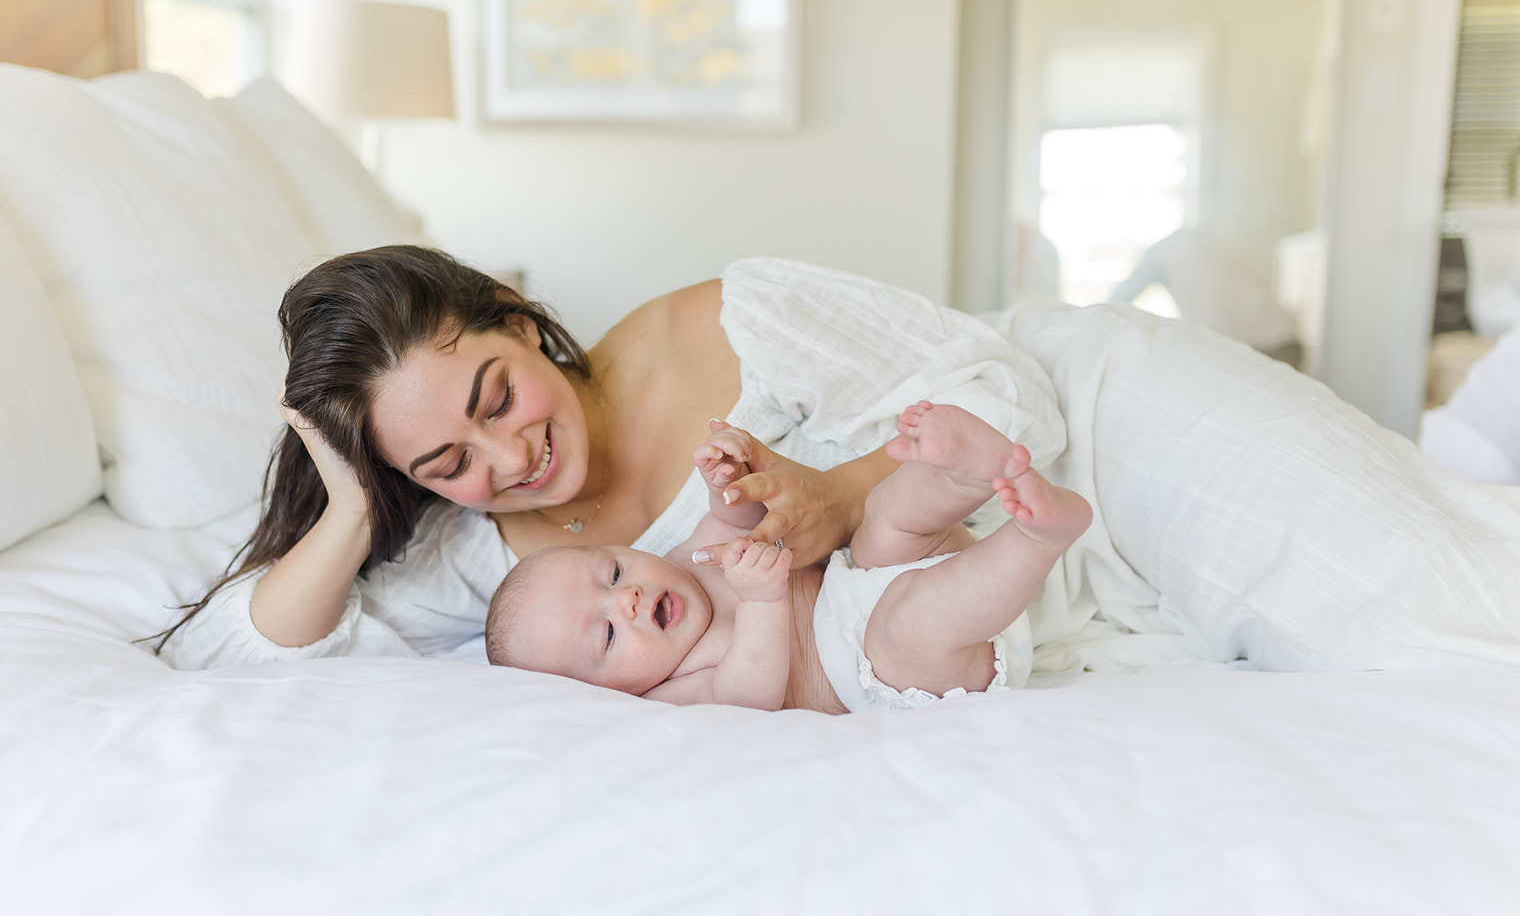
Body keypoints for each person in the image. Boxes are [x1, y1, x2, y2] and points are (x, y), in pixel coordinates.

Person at [161, 245, 1520, 681]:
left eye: (496, 394)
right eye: (444, 461)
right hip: (1057, 611)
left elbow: (1004, 389)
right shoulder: (480, 557)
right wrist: (349, 500)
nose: (510, 458)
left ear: (520, 323)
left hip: (1104, 427)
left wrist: (837, 498)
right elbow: (242, 659)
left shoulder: (722, 317)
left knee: (1455, 623)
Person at [485, 406, 1091, 712]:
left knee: (884, 516)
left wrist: (732, 482)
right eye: (608, 633)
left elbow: (737, 521)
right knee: (905, 623)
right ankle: (1035, 537)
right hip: (893, 669)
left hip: (869, 574)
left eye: (614, 574)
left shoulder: (681, 558)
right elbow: (751, 694)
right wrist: (761, 600)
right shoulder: (670, 692)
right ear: (605, 693)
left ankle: (966, 473)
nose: (629, 599)